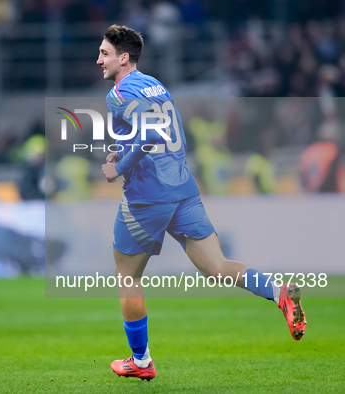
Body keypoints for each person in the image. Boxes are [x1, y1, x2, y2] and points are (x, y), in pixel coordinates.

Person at [96, 25, 306, 381]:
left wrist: (118, 168)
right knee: (217, 267)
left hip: (148, 196)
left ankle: (141, 361)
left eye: (104, 53)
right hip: (182, 187)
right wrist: (121, 148)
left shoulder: (118, 93)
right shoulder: (156, 85)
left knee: (127, 276)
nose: (98, 59)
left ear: (124, 57)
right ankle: (278, 291)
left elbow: (147, 134)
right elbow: (158, 128)